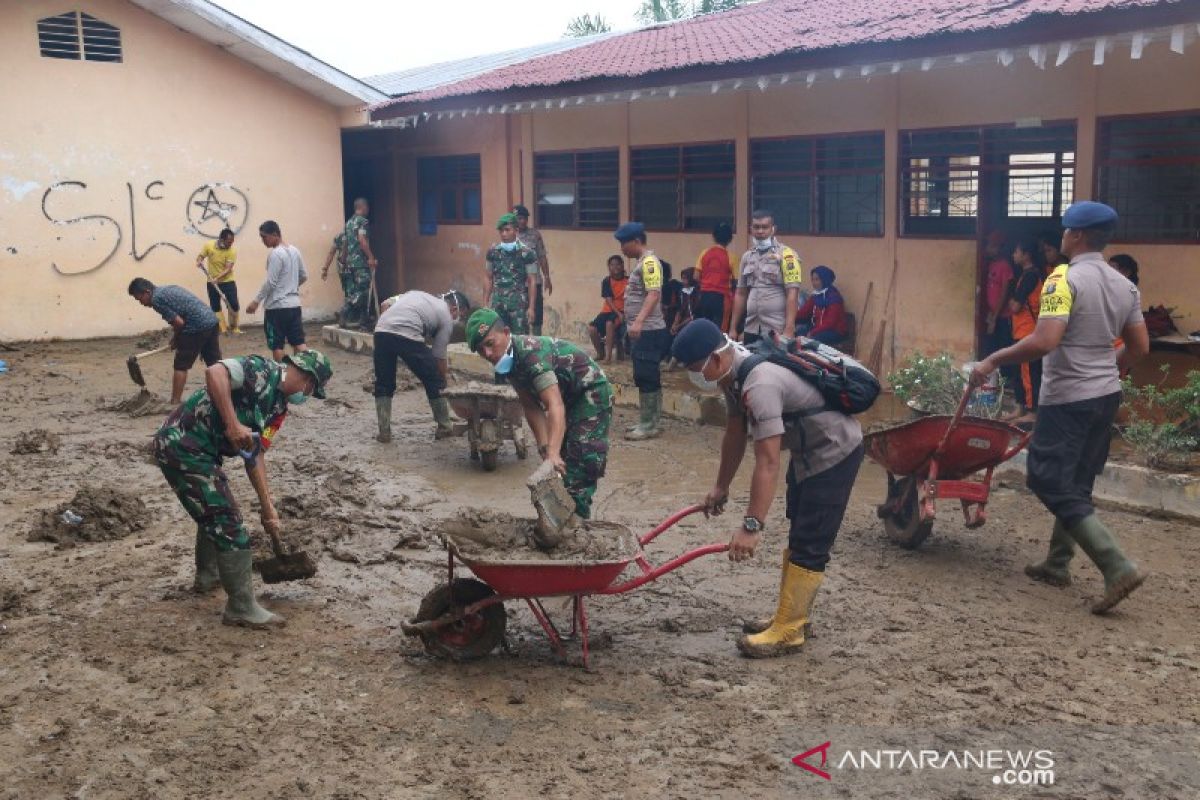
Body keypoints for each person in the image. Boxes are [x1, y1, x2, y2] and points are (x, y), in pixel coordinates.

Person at [970, 201, 1150, 614]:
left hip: (1068, 397)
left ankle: (1116, 565)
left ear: (1078, 236)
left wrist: (994, 358)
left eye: (1067, 230)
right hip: (1105, 396)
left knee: (1048, 479)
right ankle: (1057, 562)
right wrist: (1108, 369)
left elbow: (1046, 340)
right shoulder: (1125, 285)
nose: (1062, 235)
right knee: (1077, 479)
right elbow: (1139, 347)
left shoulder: (1061, 280)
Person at [672, 319, 864, 658]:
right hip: (808, 451)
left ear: (715, 359)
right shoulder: (733, 377)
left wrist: (751, 526)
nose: (694, 375)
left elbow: (768, 462)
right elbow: (734, 434)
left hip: (834, 449)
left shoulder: (759, 384)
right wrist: (720, 486)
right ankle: (790, 617)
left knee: (811, 534)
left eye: (694, 368)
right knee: (801, 527)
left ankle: (789, 629)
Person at [153, 349, 333, 628]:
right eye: (311, 390)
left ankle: (208, 576)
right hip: (182, 446)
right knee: (228, 522)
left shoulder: (279, 410)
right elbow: (214, 372)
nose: (306, 397)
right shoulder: (259, 369)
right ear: (308, 380)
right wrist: (232, 422)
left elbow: (256, 454)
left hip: (204, 453)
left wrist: (267, 506)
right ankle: (240, 607)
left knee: (213, 509)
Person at [467, 309, 612, 519]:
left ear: (506, 332)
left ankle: (577, 523)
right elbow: (530, 406)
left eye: (490, 344)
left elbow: (554, 405)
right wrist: (546, 448)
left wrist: (553, 454)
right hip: (567, 397)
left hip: (590, 391)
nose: (487, 354)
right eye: (481, 350)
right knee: (559, 459)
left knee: (581, 456)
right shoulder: (508, 362)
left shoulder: (530, 355)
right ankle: (564, 517)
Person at [373, 290, 469, 443]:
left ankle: (384, 432)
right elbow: (439, 358)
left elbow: (385, 304)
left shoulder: (417, 294)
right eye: (461, 315)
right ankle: (444, 427)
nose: (458, 319)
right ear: (455, 309)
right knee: (433, 377)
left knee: (384, 382)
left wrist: (391, 324)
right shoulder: (446, 317)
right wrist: (442, 383)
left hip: (381, 331)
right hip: (407, 333)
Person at [614, 222, 669, 440]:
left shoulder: (649, 263)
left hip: (648, 330)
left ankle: (649, 425)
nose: (622, 249)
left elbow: (653, 294)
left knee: (647, 376)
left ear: (636, 241)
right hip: (643, 330)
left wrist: (638, 322)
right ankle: (650, 420)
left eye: (623, 243)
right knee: (645, 375)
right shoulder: (641, 263)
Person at [128, 278, 222, 404]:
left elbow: (179, 323)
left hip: (196, 327)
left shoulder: (156, 299)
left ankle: (174, 401)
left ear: (147, 292)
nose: (141, 303)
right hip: (211, 321)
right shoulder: (168, 288)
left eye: (139, 299)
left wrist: (176, 339)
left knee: (181, 365)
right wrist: (177, 338)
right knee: (215, 363)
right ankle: (226, 393)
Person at [731, 210, 803, 344]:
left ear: (773, 229)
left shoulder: (787, 255)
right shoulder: (747, 256)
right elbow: (741, 293)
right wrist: (733, 328)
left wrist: (789, 329)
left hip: (776, 329)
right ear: (751, 229)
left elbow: (792, 294)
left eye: (765, 227)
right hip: (751, 327)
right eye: (756, 227)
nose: (760, 231)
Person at [245, 220, 309, 363]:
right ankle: (306, 374)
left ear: (275, 234)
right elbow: (304, 275)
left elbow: (270, 282)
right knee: (299, 342)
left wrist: (256, 301)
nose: (263, 241)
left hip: (277, 307)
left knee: (277, 345)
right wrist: (291, 286)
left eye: (264, 237)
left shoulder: (276, 254)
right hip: (294, 305)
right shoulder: (294, 250)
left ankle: (283, 377)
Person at [1004, 239, 1046, 426]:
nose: (1014, 255)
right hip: (1021, 331)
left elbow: (1015, 306)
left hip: (1028, 332)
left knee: (1029, 373)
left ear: (1026, 254)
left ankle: (1032, 411)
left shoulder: (1030, 276)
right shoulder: (1028, 274)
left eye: (1017, 251)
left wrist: (1011, 302)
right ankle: (1021, 406)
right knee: (1019, 372)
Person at [322, 198, 377, 331]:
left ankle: (364, 323)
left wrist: (345, 261)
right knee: (363, 291)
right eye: (367, 207)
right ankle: (345, 310)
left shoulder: (348, 223)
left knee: (360, 291)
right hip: (360, 263)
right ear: (363, 207)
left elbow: (345, 244)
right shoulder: (362, 221)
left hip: (351, 264)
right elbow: (362, 240)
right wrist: (371, 257)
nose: (368, 210)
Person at [484, 213, 539, 335]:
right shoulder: (493, 252)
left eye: (507, 230)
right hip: (498, 304)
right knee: (498, 338)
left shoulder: (527, 253)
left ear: (516, 230)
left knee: (519, 341)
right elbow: (488, 277)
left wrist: (531, 308)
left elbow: (532, 280)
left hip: (518, 306)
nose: (503, 234)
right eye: (501, 231)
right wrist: (485, 303)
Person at [514, 204, 553, 335]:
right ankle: (522, 345)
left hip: (535, 282)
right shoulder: (510, 235)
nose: (523, 221)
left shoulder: (535, 235)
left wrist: (547, 277)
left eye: (525, 218)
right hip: (517, 284)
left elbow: (542, 257)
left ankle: (537, 344)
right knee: (520, 317)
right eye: (520, 218)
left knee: (536, 315)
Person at [196, 228, 241, 335]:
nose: (231, 244)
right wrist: (199, 261)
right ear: (221, 239)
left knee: (234, 304)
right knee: (215, 306)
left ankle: (234, 327)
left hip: (227, 281)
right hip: (211, 282)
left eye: (232, 241)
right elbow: (200, 256)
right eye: (229, 242)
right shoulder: (209, 245)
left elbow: (228, 268)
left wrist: (217, 279)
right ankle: (223, 328)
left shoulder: (232, 251)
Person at [695, 222, 736, 330]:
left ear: (713, 237)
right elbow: (736, 280)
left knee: (705, 329)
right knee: (720, 332)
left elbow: (696, 276)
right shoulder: (731, 257)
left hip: (704, 296)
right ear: (730, 239)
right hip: (722, 298)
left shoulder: (704, 253)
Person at [587, 255, 628, 363]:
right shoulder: (607, 281)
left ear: (622, 265)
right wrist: (618, 314)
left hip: (622, 310)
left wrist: (621, 314)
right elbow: (609, 300)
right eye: (612, 264)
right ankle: (600, 353)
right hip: (608, 310)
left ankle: (608, 357)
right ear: (609, 267)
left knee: (609, 324)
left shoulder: (628, 281)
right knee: (592, 328)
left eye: (618, 264)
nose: (615, 267)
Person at [795, 265, 849, 345]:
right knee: (798, 333)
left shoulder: (834, 298)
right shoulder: (816, 295)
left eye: (817, 280)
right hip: (819, 328)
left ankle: (807, 357)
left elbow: (830, 323)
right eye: (812, 280)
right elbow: (804, 312)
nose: (814, 283)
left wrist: (813, 332)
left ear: (825, 279)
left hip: (835, 331)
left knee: (813, 340)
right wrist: (791, 317)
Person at [983, 230, 1014, 357]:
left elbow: (1004, 294)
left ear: (998, 248)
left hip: (1003, 316)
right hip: (994, 315)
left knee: (1002, 350)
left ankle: (1006, 376)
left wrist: (994, 318)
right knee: (992, 349)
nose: (987, 249)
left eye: (990, 246)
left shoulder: (1005, 266)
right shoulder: (992, 264)